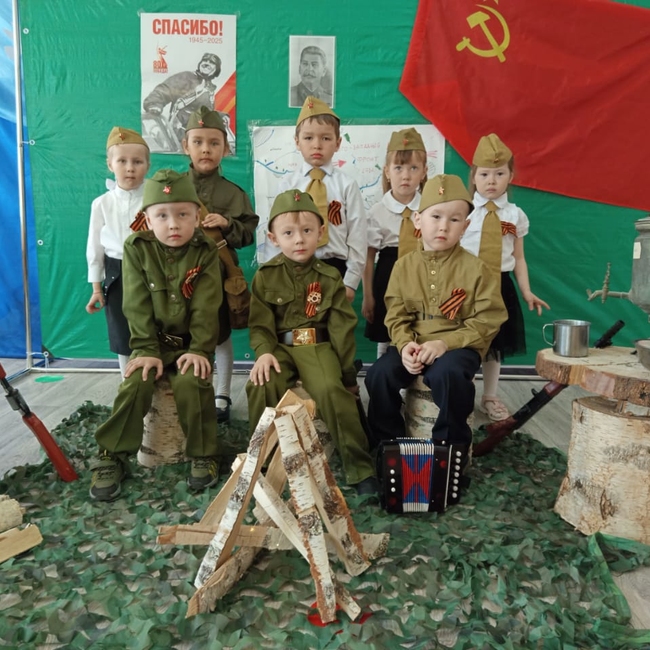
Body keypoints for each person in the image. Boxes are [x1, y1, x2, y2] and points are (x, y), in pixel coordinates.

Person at [89, 170, 223, 501]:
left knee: (193, 381)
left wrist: (200, 350)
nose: (173, 224)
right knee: (135, 383)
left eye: (183, 214)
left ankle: (204, 453)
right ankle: (111, 454)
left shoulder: (205, 250)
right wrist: (146, 349)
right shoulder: (137, 248)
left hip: (190, 344)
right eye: (162, 216)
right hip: (151, 343)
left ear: (197, 216)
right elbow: (135, 304)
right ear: (147, 220)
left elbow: (207, 307)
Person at [246, 190, 377, 495]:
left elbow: (341, 330)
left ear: (320, 233)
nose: (299, 240)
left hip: (316, 347)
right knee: (261, 385)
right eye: (288, 233)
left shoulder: (329, 278)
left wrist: (347, 376)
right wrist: (263, 353)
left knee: (331, 391)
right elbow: (260, 324)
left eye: (307, 231)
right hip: (278, 349)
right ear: (273, 238)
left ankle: (360, 468)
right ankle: (262, 460)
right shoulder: (265, 276)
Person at [365, 174, 507, 448]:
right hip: (415, 342)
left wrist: (445, 343)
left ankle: (450, 449)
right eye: (436, 217)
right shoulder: (403, 266)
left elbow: (488, 319)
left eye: (454, 220)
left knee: (448, 375)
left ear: (465, 226)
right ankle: (388, 445)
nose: (443, 226)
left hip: (458, 347)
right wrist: (404, 345)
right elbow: (396, 314)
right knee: (379, 375)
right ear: (418, 220)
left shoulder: (477, 269)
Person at [461, 134, 550, 421]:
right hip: (465, 287)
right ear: (474, 177)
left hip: (500, 286)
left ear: (510, 176)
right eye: (484, 174)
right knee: (464, 342)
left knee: (495, 345)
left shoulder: (515, 215)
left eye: (499, 174)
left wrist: (526, 291)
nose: (491, 181)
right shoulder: (463, 211)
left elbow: (519, 258)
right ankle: (460, 395)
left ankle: (489, 395)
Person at [183, 105, 259, 422]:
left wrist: (227, 224)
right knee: (184, 333)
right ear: (185, 146)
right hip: (180, 276)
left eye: (214, 143)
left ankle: (222, 395)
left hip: (218, 274)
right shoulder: (173, 188)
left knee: (221, 335)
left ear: (225, 149)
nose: (206, 149)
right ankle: (187, 392)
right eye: (198, 142)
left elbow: (248, 234)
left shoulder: (233, 194)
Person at [276, 96, 366, 303]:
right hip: (295, 268)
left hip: (335, 269)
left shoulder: (347, 185)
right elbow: (278, 232)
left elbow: (358, 235)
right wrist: (279, 274)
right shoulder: (288, 185)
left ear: (338, 143)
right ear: (297, 142)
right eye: (308, 138)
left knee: (333, 321)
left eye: (325, 138)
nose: (317, 145)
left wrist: (350, 281)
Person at [85, 126, 150, 377]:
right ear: (110, 164)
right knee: (122, 330)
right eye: (122, 161)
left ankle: (159, 383)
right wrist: (96, 288)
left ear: (147, 165)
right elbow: (95, 247)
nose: (130, 168)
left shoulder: (154, 199)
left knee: (153, 325)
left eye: (137, 161)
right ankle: (127, 382)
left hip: (150, 268)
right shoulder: (102, 203)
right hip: (117, 272)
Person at [362, 127, 428, 359]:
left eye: (413, 168)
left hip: (422, 274)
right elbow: (368, 258)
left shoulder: (429, 209)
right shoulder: (377, 212)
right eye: (398, 168)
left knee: (419, 329)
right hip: (388, 276)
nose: (406, 176)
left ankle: (416, 377)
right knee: (386, 331)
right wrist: (368, 295)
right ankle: (384, 375)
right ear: (387, 172)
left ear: (424, 172)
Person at [142, 53, 234, 150]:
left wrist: (219, 116)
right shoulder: (186, 77)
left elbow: (204, 113)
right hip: (179, 135)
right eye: (204, 60)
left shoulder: (209, 88)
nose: (206, 63)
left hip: (197, 136)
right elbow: (165, 89)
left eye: (211, 62)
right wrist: (154, 103)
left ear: (216, 69)